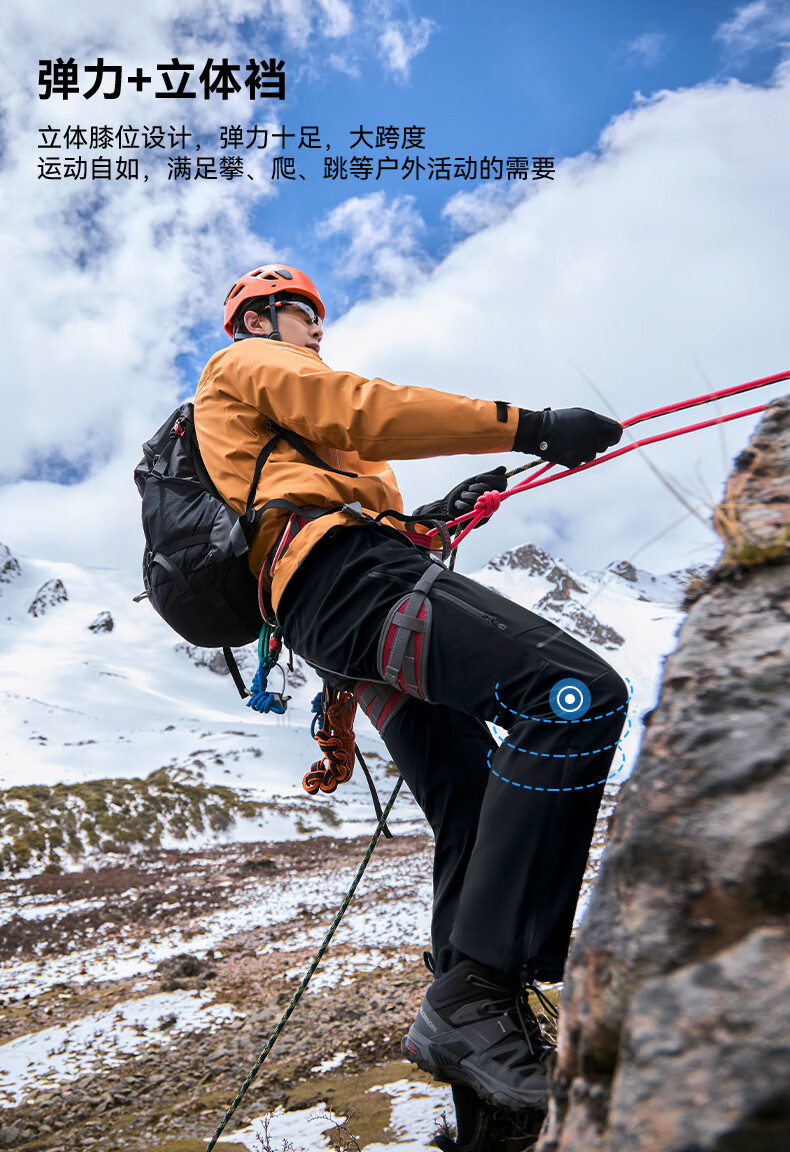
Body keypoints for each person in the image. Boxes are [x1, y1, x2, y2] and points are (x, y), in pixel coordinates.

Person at [194, 264, 628, 1114]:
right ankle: (471, 998)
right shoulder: (243, 365)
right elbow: (365, 407)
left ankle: (487, 1075)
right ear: (257, 318)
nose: (314, 330)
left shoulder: (281, 433)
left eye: (315, 318)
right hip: (348, 584)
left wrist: (432, 518)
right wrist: (531, 426)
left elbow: (323, 499)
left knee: (469, 805)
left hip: (337, 610)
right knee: (573, 694)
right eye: (298, 315)